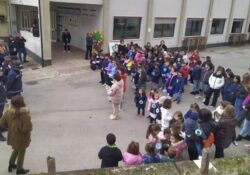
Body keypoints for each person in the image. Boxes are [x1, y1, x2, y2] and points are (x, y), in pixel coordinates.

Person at [0, 95, 32, 174]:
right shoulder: (24, 115)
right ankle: (19, 169)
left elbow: (1, 122)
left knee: (16, 149)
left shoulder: (8, 112)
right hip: (22, 138)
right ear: (22, 103)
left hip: (13, 136)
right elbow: (27, 128)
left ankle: (11, 164)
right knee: (22, 150)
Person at [0, 68, 7, 141]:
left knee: (0, 115)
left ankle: (1, 127)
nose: (2, 72)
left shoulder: (1, 78)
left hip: (1, 101)